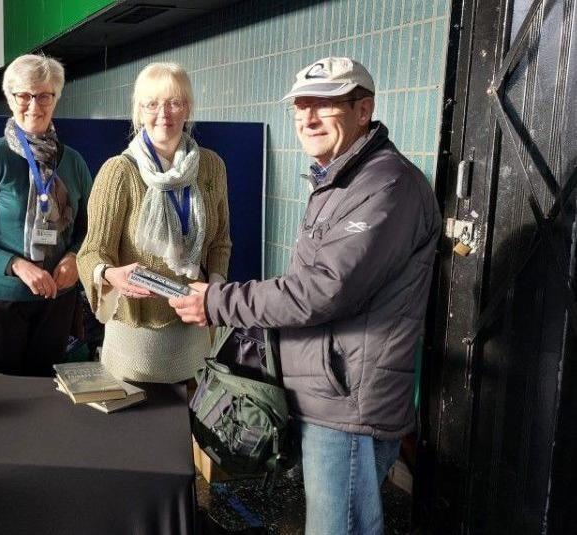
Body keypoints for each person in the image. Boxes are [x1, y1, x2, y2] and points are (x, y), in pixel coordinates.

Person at [169, 57, 441, 534]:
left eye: (325, 104)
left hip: (350, 404)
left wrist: (216, 301)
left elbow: (321, 292)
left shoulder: (387, 185)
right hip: (326, 395)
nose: (308, 118)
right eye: (300, 106)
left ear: (364, 110)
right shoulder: (340, 178)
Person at [76, 62, 231, 384]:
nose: (164, 113)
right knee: (134, 429)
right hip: (136, 337)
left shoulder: (212, 166)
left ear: (188, 107)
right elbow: (92, 252)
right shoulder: (119, 171)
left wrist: (214, 292)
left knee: (189, 427)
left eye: (174, 102)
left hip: (194, 326)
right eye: (152, 104)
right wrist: (109, 274)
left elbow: (220, 243)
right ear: (139, 111)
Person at [0, 54, 92, 376]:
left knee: (46, 395)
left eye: (44, 96)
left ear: (56, 99)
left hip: (56, 299)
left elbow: (91, 232)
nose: (34, 105)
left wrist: (74, 257)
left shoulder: (75, 163)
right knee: (3, 396)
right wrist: (17, 266)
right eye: (24, 95)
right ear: (10, 99)